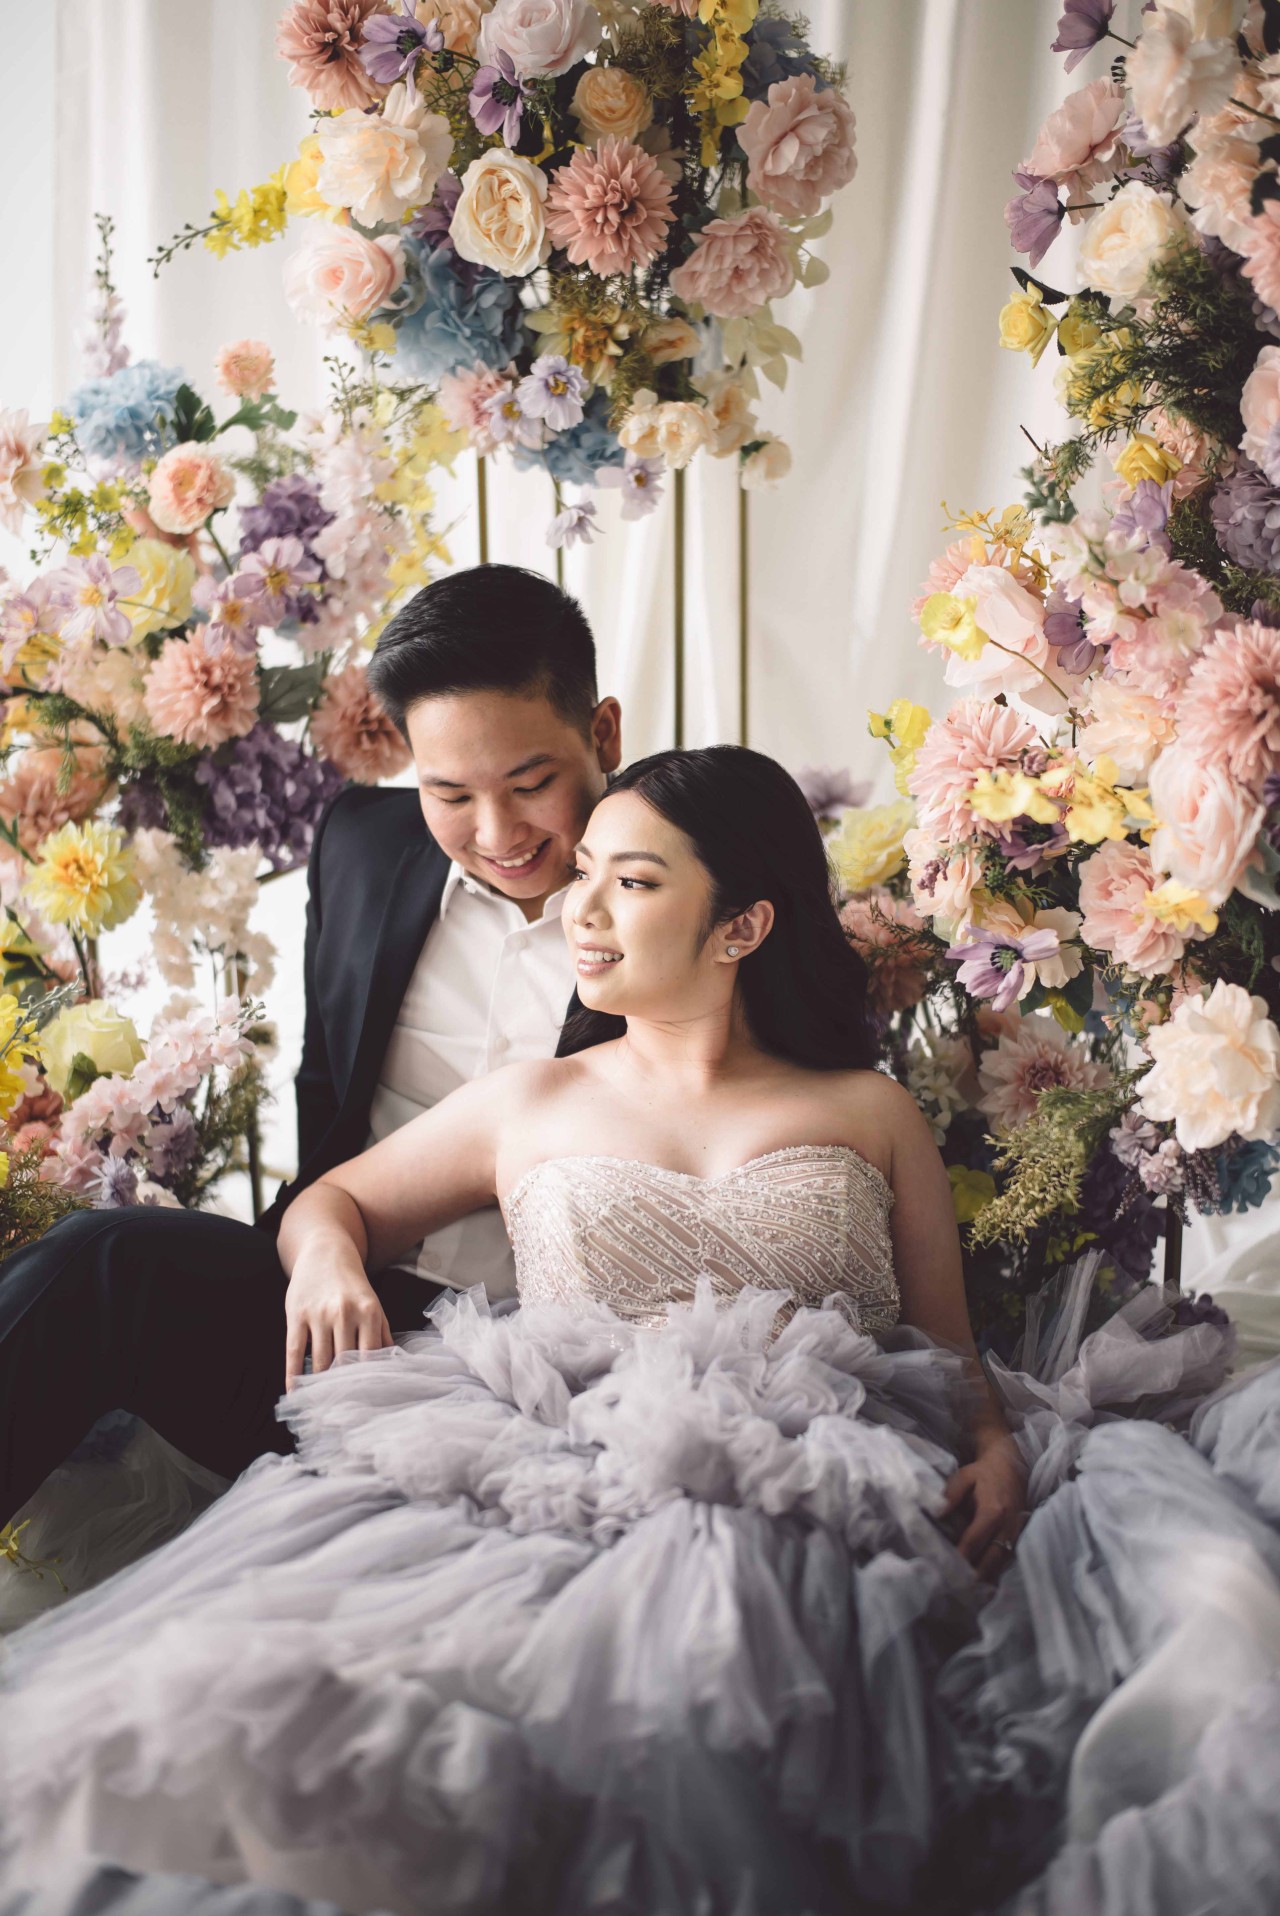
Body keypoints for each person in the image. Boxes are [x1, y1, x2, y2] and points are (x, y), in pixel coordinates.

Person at [3, 746, 1252, 1916]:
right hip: (565, 1472)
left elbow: (946, 1343)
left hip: (840, 1491)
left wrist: (987, 1443)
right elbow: (334, 1201)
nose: (582, 909)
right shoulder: (530, 1098)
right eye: (586, 871)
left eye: (633, 881)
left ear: (741, 926)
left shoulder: (866, 1108)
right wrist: (326, 1256)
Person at [0, 564, 620, 1533]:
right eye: (449, 792)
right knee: (103, 1259)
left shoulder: (689, 885)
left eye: (531, 784)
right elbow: (326, 1093)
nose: (497, 831)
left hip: (549, 1365)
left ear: (603, 736)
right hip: (329, 1311)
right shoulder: (363, 844)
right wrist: (322, 1250)